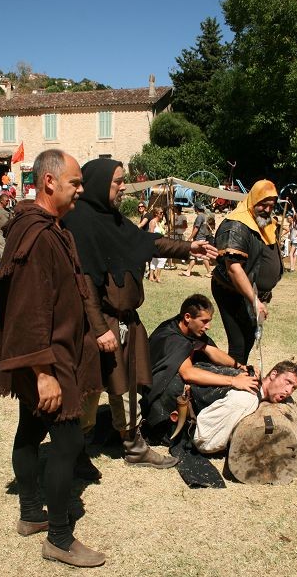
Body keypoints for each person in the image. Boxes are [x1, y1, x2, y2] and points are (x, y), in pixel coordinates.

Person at [0, 149, 105, 568]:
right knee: (68, 441)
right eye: (75, 182)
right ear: (49, 182)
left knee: (31, 428)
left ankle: (31, 513)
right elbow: (30, 308)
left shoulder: (45, 227)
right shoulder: (38, 235)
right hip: (46, 358)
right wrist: (42, 373)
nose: (80, 190)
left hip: (51, 352)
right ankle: (59, 538)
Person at [63, 158, 217, 468]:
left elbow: (146, 242)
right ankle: (77, 449)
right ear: (99, 184)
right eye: (117, 181)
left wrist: (189, 248)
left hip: (125, 321)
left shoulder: (113, 220)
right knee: (90, 387)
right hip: (97, 323)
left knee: (127, 385)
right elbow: (85, 284)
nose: (123, 187)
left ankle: (133, 445)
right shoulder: (79, 221)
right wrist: (99, 329)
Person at [143, 293, 260, 441]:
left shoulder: (187, 328)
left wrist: (239, 366)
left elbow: (210, 350)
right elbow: (188, 374)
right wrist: (233, 380)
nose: (208, 326)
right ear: (187, 317)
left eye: (209, 321)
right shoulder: (173, 338)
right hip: (158, 394)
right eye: (204, 321)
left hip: (182, 375)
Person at [211, 179, 283, 364]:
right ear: (253, 200)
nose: (267, 210)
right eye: (263, 204)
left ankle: (239, 371)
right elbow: (234, 269)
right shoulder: (237, 225)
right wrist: (254, 300)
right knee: (239, 344)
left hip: (252, 294)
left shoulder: (265, 223)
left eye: (271, 206)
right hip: (232, 292)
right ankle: (233, 377)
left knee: (249, 337)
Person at [194, 360, 297, 454]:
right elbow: (204, 441)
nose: (289, 391)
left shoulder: (254, 382)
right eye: (288, 382)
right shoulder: (247, 399)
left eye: (293, 388)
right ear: (273, 375)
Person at [182, 202, 213, 278]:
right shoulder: (204, 216)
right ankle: (188, 271)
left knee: (202, 256)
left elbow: (196, 228)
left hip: (199, 239)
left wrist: (190, 237)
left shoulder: (199, 217)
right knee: (193, 255)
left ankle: (209, 272)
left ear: (196, 208)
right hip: (201, 238)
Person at [148, 207, 167, 282]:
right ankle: (157, 277)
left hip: (160, 243)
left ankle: (151, 276)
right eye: (161, 213)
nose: (162, 214)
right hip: (156, 244)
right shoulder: (153, 222)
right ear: (156, 213)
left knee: (154, 260)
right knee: (163, 259)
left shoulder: (159, 223)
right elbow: (151, 234)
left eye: (163, 212)